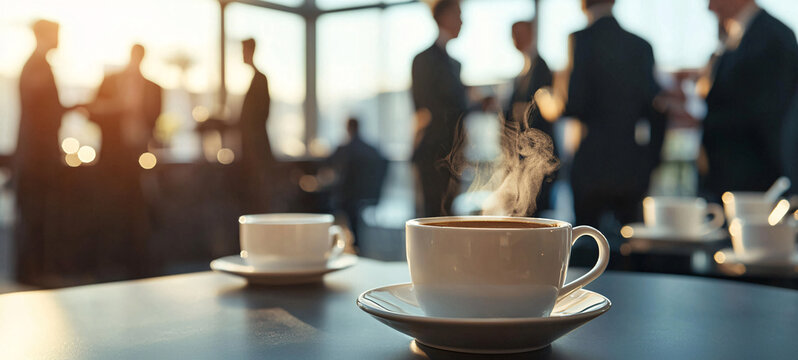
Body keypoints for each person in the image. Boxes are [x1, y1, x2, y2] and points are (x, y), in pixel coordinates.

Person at [538, 0, 666, 228]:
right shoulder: (641, 45)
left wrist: (548, 102)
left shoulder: (580, 40)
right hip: (631, 164)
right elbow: (657, 108)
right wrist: (651, 161)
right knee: (630, 242)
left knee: (589, 240)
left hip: (591, 162)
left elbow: (574, 104)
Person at [701, 0, 798, 199]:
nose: (709, 7)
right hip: (730, 188)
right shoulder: (737, 38)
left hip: (756, 192)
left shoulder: (773, 39)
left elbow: (769, 118)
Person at [87, 44, 162, 279]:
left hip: (138, 158)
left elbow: (154, 121)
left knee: (138, 211)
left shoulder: (153, 88)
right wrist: (118, 107)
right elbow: (93, 112)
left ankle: (138, 265)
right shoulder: (111, 81)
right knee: (110, 210)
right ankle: (107, 264)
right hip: (112, 158)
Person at [14, 20, 75, 284]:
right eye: (57, 34)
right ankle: (32, 274)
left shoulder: (37, 66)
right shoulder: (37, 68)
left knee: (37, 215)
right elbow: (43, 113)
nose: (60, 39)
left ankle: (34, 273)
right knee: (34, 215)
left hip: (36, 156)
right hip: (35, 158)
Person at [411, 0, 467, 217]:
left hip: (453, 151)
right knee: (432, 215)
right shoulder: (424, 60)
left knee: (448, 215)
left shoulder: (454, 64)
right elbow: (424, 105)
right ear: (443, 17)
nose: (462, 21)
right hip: (433, 152)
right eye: (458, 14)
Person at [505, 19, 555, 215]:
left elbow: (538, 115)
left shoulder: (540, 68)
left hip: (536, 156)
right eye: (513, 34)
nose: (516, 39)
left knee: (534, 211)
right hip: (522, 155)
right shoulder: (523, 70)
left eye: (520, 33)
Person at [325, 118, 388, 247]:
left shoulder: (344, 150)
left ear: (348, 128)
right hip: (370, 195)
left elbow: (329, 168)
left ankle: (334, 243)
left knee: (326, 203)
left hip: (349, 198)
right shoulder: (372, 150)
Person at [238, 38, 274, 213]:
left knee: (259, 197)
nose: (241, 55)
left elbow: (259, 115)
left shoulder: (260, 79)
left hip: (256, 150)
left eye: (243, 50)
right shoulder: (257, 79)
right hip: (253, 149)